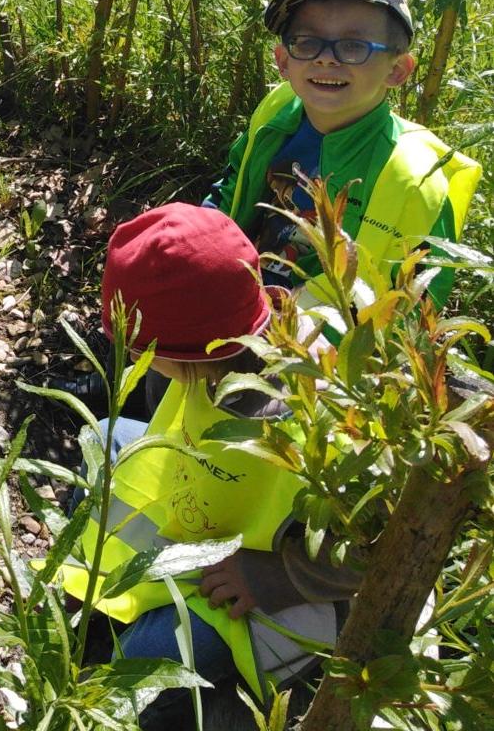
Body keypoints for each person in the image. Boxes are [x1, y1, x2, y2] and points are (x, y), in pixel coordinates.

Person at [59, 204, 357, 726]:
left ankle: (212, 702)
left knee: (141, 668)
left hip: (280, 586)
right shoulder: (207, 355)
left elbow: (371, 552)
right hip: (210, 515)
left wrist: (276, 578)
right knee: (102, 442)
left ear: (194, 350)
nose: (135, 362)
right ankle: (101, 619)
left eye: (144, 349)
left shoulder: (308, 414)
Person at [208, 0, 480, 314]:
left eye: (353, 46)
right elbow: (230, 189)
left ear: (397, 70)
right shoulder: (278, 113)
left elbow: (416, 303)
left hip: (326, 344)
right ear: (283, 61)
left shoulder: (415, 178)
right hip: (242, 294)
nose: (325, 59)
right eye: (306, 42)